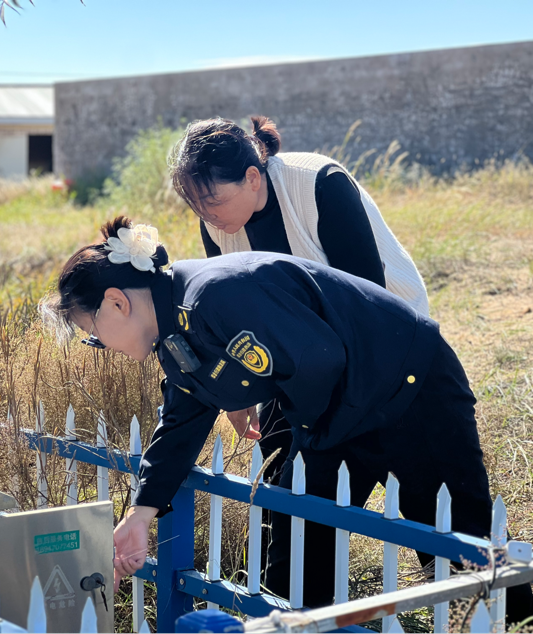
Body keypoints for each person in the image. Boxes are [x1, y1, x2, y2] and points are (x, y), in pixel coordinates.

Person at [42, 216, 533, 622]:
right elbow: (179, 427)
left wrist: (301, 436)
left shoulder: (216, 294)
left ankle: (518, 627)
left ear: (116, 302)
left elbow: (318, 360)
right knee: (299, 541)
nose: (99, 345)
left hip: (407, 383)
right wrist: (140, 516)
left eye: (92, 333)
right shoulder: (174, 336)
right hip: (335, 410)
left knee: (453, 531)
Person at [169, 116, 428, 485]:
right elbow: (231, 311)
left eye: (214, 202)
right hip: (301, 357)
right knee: (280, 481)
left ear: (252, 178)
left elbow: (366, 299)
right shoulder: (216, 223)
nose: (207, 215)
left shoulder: (319, 183)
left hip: (385, 343)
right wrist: (238, 393)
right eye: (197, 207)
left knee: (418, 484)